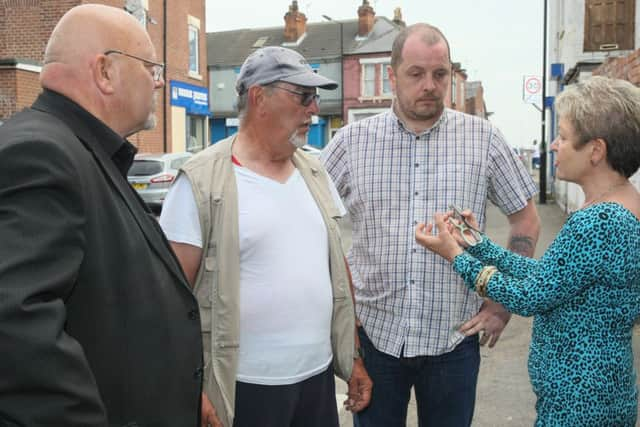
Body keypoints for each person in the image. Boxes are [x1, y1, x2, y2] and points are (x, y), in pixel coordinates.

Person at [321, 23, 541, 426]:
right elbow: (310, 215)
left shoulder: (484, 139)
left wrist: (502, 302)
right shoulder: (352, 142)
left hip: (453, 340)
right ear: (392, 76)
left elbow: (525, 217)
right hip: (374, 338)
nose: (429, 85)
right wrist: (335, 303)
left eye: (440, 74)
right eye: (416, 73)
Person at [0, 4, 203, 426]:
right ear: (105, 72)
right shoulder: (41, 154)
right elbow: (16, 330)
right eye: (151, 67)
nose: (160, 82)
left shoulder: (84, 150)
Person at [159, 46, 372, 427]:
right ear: (259, 97)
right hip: (242, 390)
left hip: (317, 381)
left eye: (315, 98)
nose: (314, 110)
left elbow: (337, 268)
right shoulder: (201, 181)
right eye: (303, 97)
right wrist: (187, 387)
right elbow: (167, 301)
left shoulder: (316, 172)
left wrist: (352, 356)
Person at [415, 76, 640, 426]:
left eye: (563, 137)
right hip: (601, 391)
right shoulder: (621, 207)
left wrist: (455, 257)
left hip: (578, 402)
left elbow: (529, 296)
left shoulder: (598, 221)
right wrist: (476, 243)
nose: (553, 145)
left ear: (596, 151)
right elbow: (552, 278)